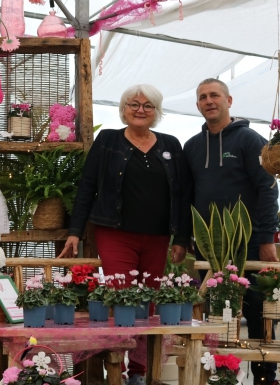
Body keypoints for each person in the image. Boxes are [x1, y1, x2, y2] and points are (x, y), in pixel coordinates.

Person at [58, 84, 191, 385]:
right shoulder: (107, 140)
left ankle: (140, 374)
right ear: (124, 108)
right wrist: (75, 231)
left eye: (148, 105)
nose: (140, 109)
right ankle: (115, 367)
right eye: (134, 104)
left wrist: (181, 238)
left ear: (156, 112)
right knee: (124, 300)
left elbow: (183, 195)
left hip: (158, 237)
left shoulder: (171, 144)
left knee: (150, 303)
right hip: (116, 234)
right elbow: (87, 187)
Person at [183, 78, 279, 385]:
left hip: (248, 245)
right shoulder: (192, 146)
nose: (209, 101)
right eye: (202, 97)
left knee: (257, 310)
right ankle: (222, 375)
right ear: (198, 105)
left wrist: (266, 238)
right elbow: (186, 196)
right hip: (209, 247)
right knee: (215, 314)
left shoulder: (251, 140)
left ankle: (267, 376)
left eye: (214, 95)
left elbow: (268, 188)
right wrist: (185, 237)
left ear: (229, 100)